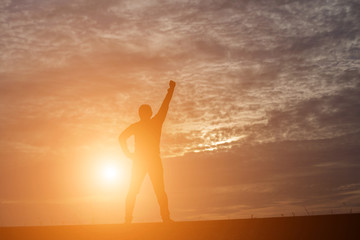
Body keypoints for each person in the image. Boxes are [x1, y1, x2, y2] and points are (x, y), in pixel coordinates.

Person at [119, 80, 176, 223]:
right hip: (145, 160)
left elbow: (121, 138)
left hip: (144, 160)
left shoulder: (145, 124)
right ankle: (164, 218)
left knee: (148, 190)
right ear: (147, 113)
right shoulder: (153, 122)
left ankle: (129, 219)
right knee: (152, 190)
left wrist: (128, 154)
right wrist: (171, 90)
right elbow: (165, 106)